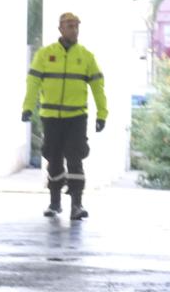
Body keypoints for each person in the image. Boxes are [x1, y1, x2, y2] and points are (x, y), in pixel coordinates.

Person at [21, 12, 108, 221]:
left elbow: (98, 87)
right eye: (70, 26)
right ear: (60, 29)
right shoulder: (45, 55)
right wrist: (27, 108)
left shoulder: (86, 56)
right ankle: (55, 201)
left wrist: (102, 114)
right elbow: (33, 83)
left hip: (76, 118)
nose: (74, 30)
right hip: (51, 117)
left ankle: (77, 204)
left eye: (76, 26)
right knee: (53, 159)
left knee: (75, 159)